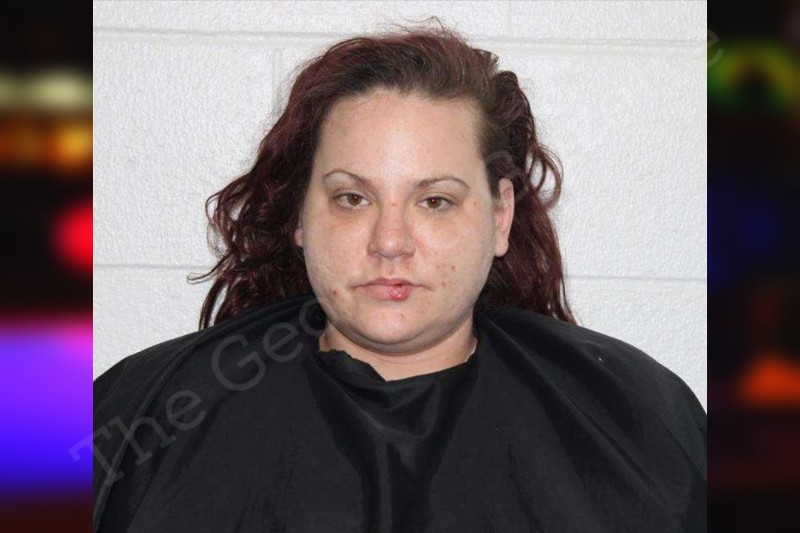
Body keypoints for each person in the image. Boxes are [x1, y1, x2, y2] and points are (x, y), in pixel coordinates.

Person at [92, 19, 706, 533]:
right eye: (352, 198)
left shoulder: (639, 425)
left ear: (499, 217)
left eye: (435, 201)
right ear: (300, 215)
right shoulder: (138, 420)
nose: (389, 243)